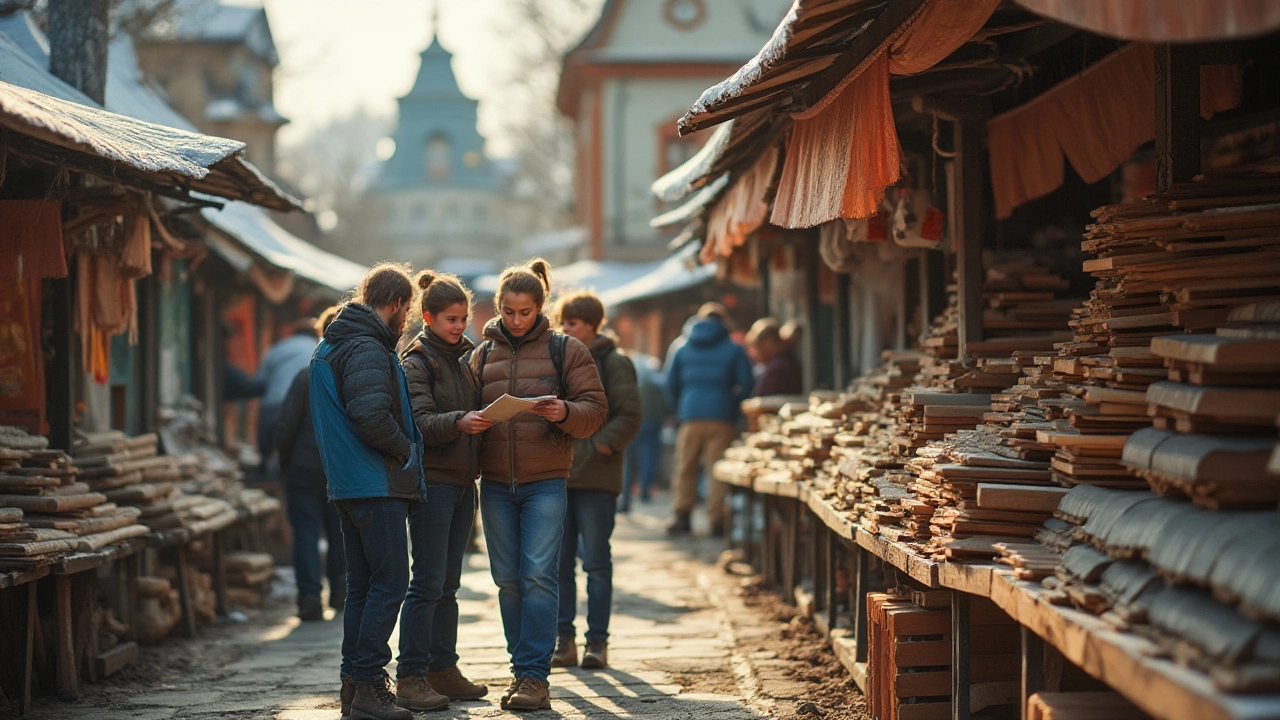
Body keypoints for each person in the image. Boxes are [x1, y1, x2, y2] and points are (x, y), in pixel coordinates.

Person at [470, 259, 607, 712]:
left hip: (546, 480)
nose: (515, 320)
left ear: (540, 307)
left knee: (538, 576)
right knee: (507, 580)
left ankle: (534, 677)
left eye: (524, 312)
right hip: (493, 483)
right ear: (498, 308)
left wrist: (564, 413)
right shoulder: (481, 354)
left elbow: (595, 410)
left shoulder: (565, 350)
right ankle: (518, 668)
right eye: (508, 312)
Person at [310, 264, 424, 720]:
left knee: (363, 586)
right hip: (373, 481)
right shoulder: (364, 346)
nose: (405, 321)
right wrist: (406, 451)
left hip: (348, 483)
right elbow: (372, 416)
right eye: (407, 310)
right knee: (392, 581)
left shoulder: (335, 340)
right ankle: (371, 686)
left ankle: (353, 687)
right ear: (396, 303)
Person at [395, 271, 491, 712]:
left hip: (462, 482)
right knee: (427, 582)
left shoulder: (463, 360)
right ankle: (410, 675)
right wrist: (458, 422)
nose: (459, 326)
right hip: (432, 484)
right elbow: (417, 422)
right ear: (428, 317)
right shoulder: (417, 363)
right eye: (450, 319)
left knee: (449, 584)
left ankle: (443, 669)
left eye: (463, 318)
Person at [550, 291, 641, 671]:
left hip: (598, 478)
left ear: (593, 325)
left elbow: (630, 414)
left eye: (574, 323)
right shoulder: (556, 358)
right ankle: (564, 641)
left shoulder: (615, 362)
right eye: (564, 322)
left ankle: (598, 643)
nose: (567, 329)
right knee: (558, 565)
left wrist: (601, 446)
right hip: (559, 476)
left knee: (597, 563)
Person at [275, 306, 345, 622]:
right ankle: (342, 593)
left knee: (305, 533)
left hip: (303, 467)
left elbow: (286, 424)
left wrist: (286, 463)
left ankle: (309, 599)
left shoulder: (306, 375)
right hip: (339, 469)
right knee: (340, 533)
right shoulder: (352, 377)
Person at [665, 302, 753, 538]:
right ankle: (716, 520)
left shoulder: (682, 348)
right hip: (722, 416)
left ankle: (682, 516)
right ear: (723, 322)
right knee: (716, 470)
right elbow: (746, 383)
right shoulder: (733, 349)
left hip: (690, 414)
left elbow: (670, 383)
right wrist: (733, 407)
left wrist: (680, 409)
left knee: (685, 466)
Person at [256, 317, 319, 459]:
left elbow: (260, 382)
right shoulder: (318, 349)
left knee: (267, 453)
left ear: (294, 333)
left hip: (273, 406)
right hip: (304, 410)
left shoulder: (277, 348)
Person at [619, 351, 666, 512]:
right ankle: (645, 490)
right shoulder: (657, 382)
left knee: (628, 461)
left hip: (631, 422)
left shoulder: (628, 380)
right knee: (649, 457)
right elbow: (666, 401)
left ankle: (625, 498)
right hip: (652, 422)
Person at [745, 318, 804, 396]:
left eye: (757, 347)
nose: (755, 354)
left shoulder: (778, 367)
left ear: (768, 343)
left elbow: (762, 397)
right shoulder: (783, 361)